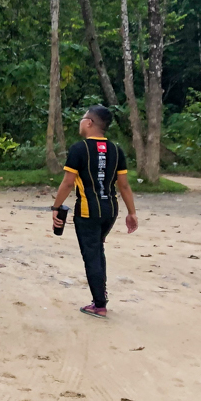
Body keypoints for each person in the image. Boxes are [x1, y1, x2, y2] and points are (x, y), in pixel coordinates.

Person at [51, 104, 139, 320]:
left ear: (89, 123)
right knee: (97, 249)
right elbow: (124, 186)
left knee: (91, 254)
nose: (81, 122)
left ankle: (99, 304)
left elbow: (68, 183)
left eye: (83, 119)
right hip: (110, 210)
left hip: (88, 211)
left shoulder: (79, 149)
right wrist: (132, 212)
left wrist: (55, 207)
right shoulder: (116, 151)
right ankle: (101, 293)